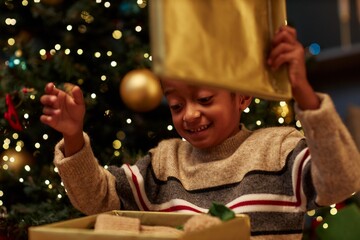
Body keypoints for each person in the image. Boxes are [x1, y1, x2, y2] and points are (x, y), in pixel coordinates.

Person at [40, 26, 360, 239]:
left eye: (205, 100)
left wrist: (303, 92)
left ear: (243, 96)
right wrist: (72, 136)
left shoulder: (280, 150)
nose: (190, 115)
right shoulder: (164, 162)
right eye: (177, 105)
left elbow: (342, 181)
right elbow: (97, 199)